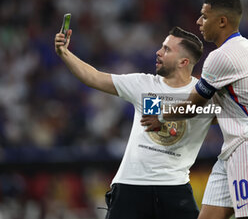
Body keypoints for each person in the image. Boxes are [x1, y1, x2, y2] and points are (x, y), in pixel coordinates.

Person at [142, 0, 248, 219]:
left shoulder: (222, 57)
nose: (199, 22)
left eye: (204, 16)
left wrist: (160, 117)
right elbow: (224, 106)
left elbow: (193, 105)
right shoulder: (247, 47)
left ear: (222, 21)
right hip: (235, 147)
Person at [54, 26, 216, 219]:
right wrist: (65, 53)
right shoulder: (143, 84)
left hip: (174, 188)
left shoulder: (204, 97)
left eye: (167, 49)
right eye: (162, 47)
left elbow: (236, 115)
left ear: (184, 61)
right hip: (131, 186)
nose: (158, 52)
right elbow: (94, 77)